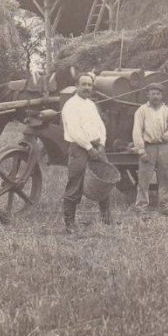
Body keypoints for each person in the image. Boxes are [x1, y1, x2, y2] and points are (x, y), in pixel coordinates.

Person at [61, 73, 110, 234]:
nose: (87, 88)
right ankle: (70, 223)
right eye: (84, 84)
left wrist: (101, 144)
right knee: (75, 183)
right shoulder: (70, 105)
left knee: (104, 180)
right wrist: (89, 148)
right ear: (76, 86)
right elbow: (75, 131)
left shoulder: (91, 104)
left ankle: (106, 217)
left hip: (97, 147)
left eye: (90, 85)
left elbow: (100, 125)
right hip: (80, 148)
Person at [132, 83, 168, 216]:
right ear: (148, 95)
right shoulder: (141, 111)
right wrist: (141, 150)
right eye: (153, 94)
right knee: (144, 179)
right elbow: (136, 132)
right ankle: (141, 208)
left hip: (164, 148)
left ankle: (164, 207)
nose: (156, 96)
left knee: (164, 177)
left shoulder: (166, 111)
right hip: (148, 147)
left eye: (158, 94)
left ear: (162, 95)